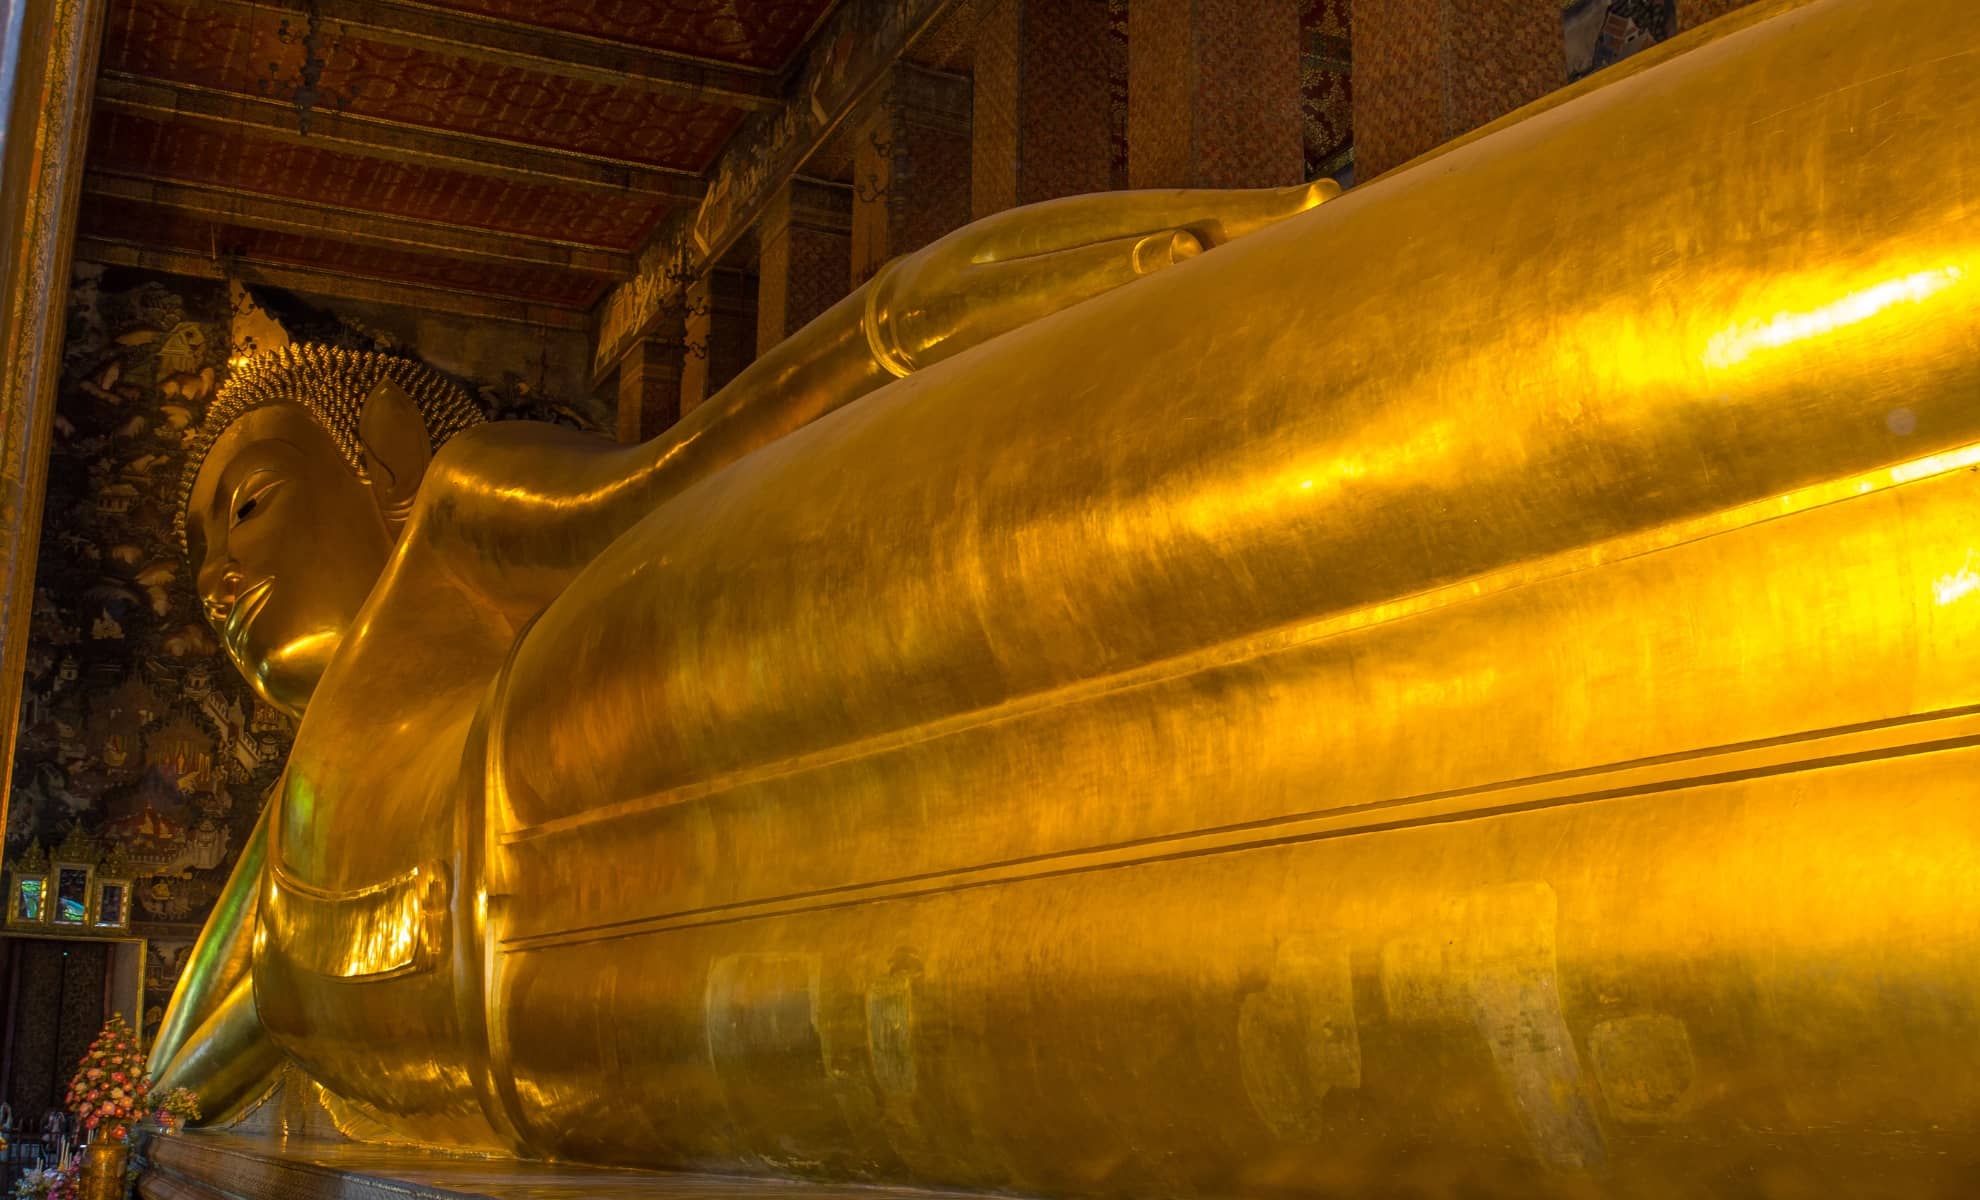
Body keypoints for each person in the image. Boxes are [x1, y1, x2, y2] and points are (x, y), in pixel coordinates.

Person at [151, 2, 1980, 1193]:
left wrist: (952, 306)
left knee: (1252, 479)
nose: (227, 583)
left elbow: (698, 457)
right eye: (201, 562)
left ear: (379, 455)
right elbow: (194, 1055)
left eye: (246, 506)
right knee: (1318, 977)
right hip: (654, 1036)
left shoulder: (468, 532)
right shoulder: (291, 821)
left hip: (635, 694)